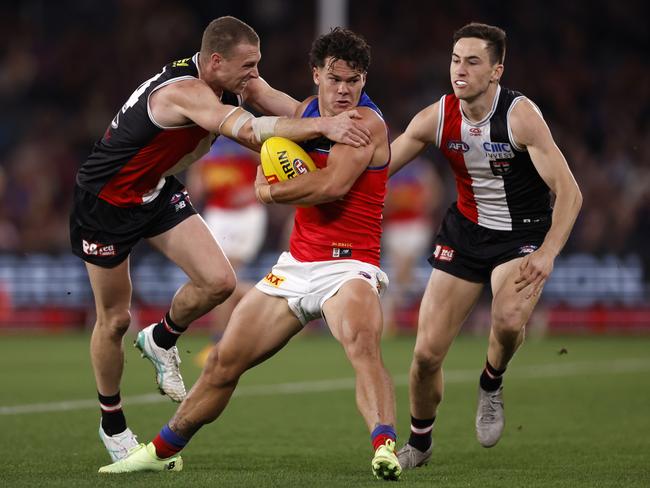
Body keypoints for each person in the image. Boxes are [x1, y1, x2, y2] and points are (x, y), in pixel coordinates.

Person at [98, 27, 402, 481]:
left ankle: (384, 446)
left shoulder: (366, 123)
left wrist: (268, 192)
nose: (344, 90)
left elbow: (330, 186)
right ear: (316, 74)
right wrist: (220, 70)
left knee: (363, 347)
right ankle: (159, 451)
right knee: (222, 363)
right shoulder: (310, 111)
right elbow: (261, 93)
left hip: (348, 266)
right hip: (295, 268)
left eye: (354, 80)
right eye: (336, 79)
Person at [388, 23, 582, 468]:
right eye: (456, 59)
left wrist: (548, 251)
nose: (461, 69)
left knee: (510, 320)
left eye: (473, 61)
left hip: (522, 235)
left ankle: (491, 382)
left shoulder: (519, 116)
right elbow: (381, 169)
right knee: (424, 355)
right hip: (466, 232)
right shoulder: (436, 116)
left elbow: (570, 193)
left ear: (496, 70)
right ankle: (420, 444)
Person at [186, 137, 267, 366]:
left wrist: (253, 190)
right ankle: (272, 301)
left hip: (245, 215)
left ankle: (219, 342)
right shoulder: (206, 143)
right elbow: (197, 186)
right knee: (218, 278)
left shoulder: (244, 137)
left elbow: (267, 164)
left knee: (223, 277)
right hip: (218, 214)